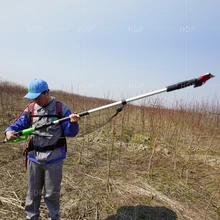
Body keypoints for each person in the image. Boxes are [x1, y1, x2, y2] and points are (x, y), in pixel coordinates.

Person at [5, 78, 80, 220]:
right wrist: (9, 131)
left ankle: (53, 217)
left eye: (38, 97)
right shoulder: (31, 108)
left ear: (47, 92)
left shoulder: (61, 109)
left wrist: (73, 123)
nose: (36, 101)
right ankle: (31, 216)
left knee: (51, 194)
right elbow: (18, 124)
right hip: (34, 158)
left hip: (54, 159)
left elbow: (71, 133)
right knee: (32, 193)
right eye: (33, 98)